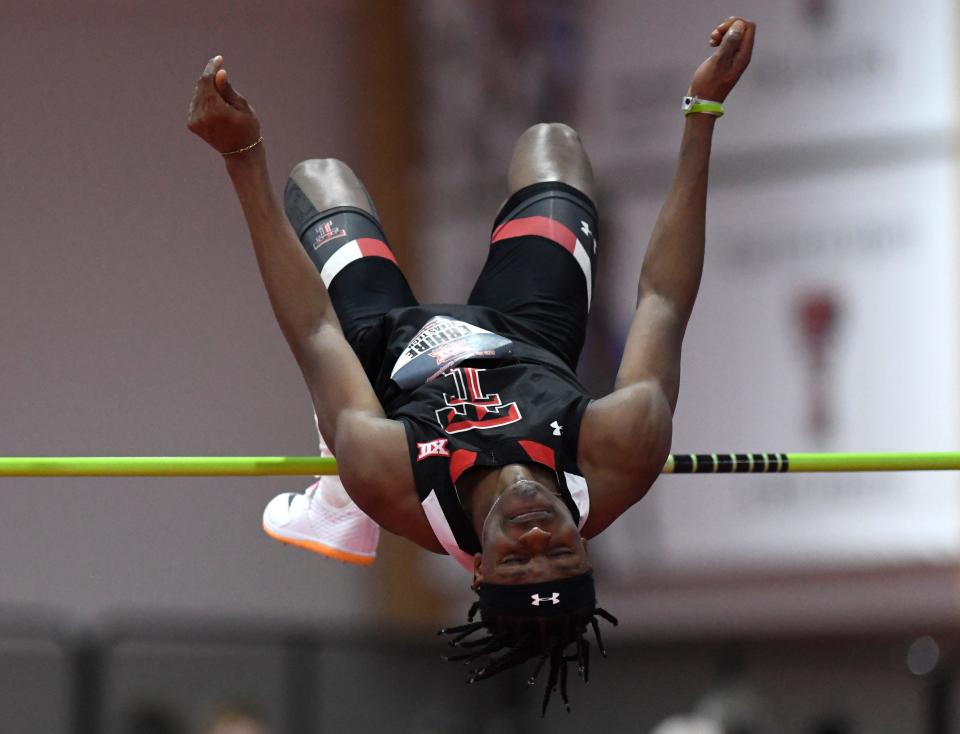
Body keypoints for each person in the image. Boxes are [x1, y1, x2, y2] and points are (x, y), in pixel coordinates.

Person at [187, 16, 755, 713]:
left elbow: (312, 332)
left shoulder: (392, 475)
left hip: (390, 359)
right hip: (528, 339)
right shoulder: (620, 451)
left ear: (479, 568)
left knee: (317, 179)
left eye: (519, 560)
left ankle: (336, 488)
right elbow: (663, 299)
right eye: (563, 553)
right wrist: (704, 111)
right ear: (589, 548)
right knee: (554, 144)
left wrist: (242, 157)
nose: (539, 535)